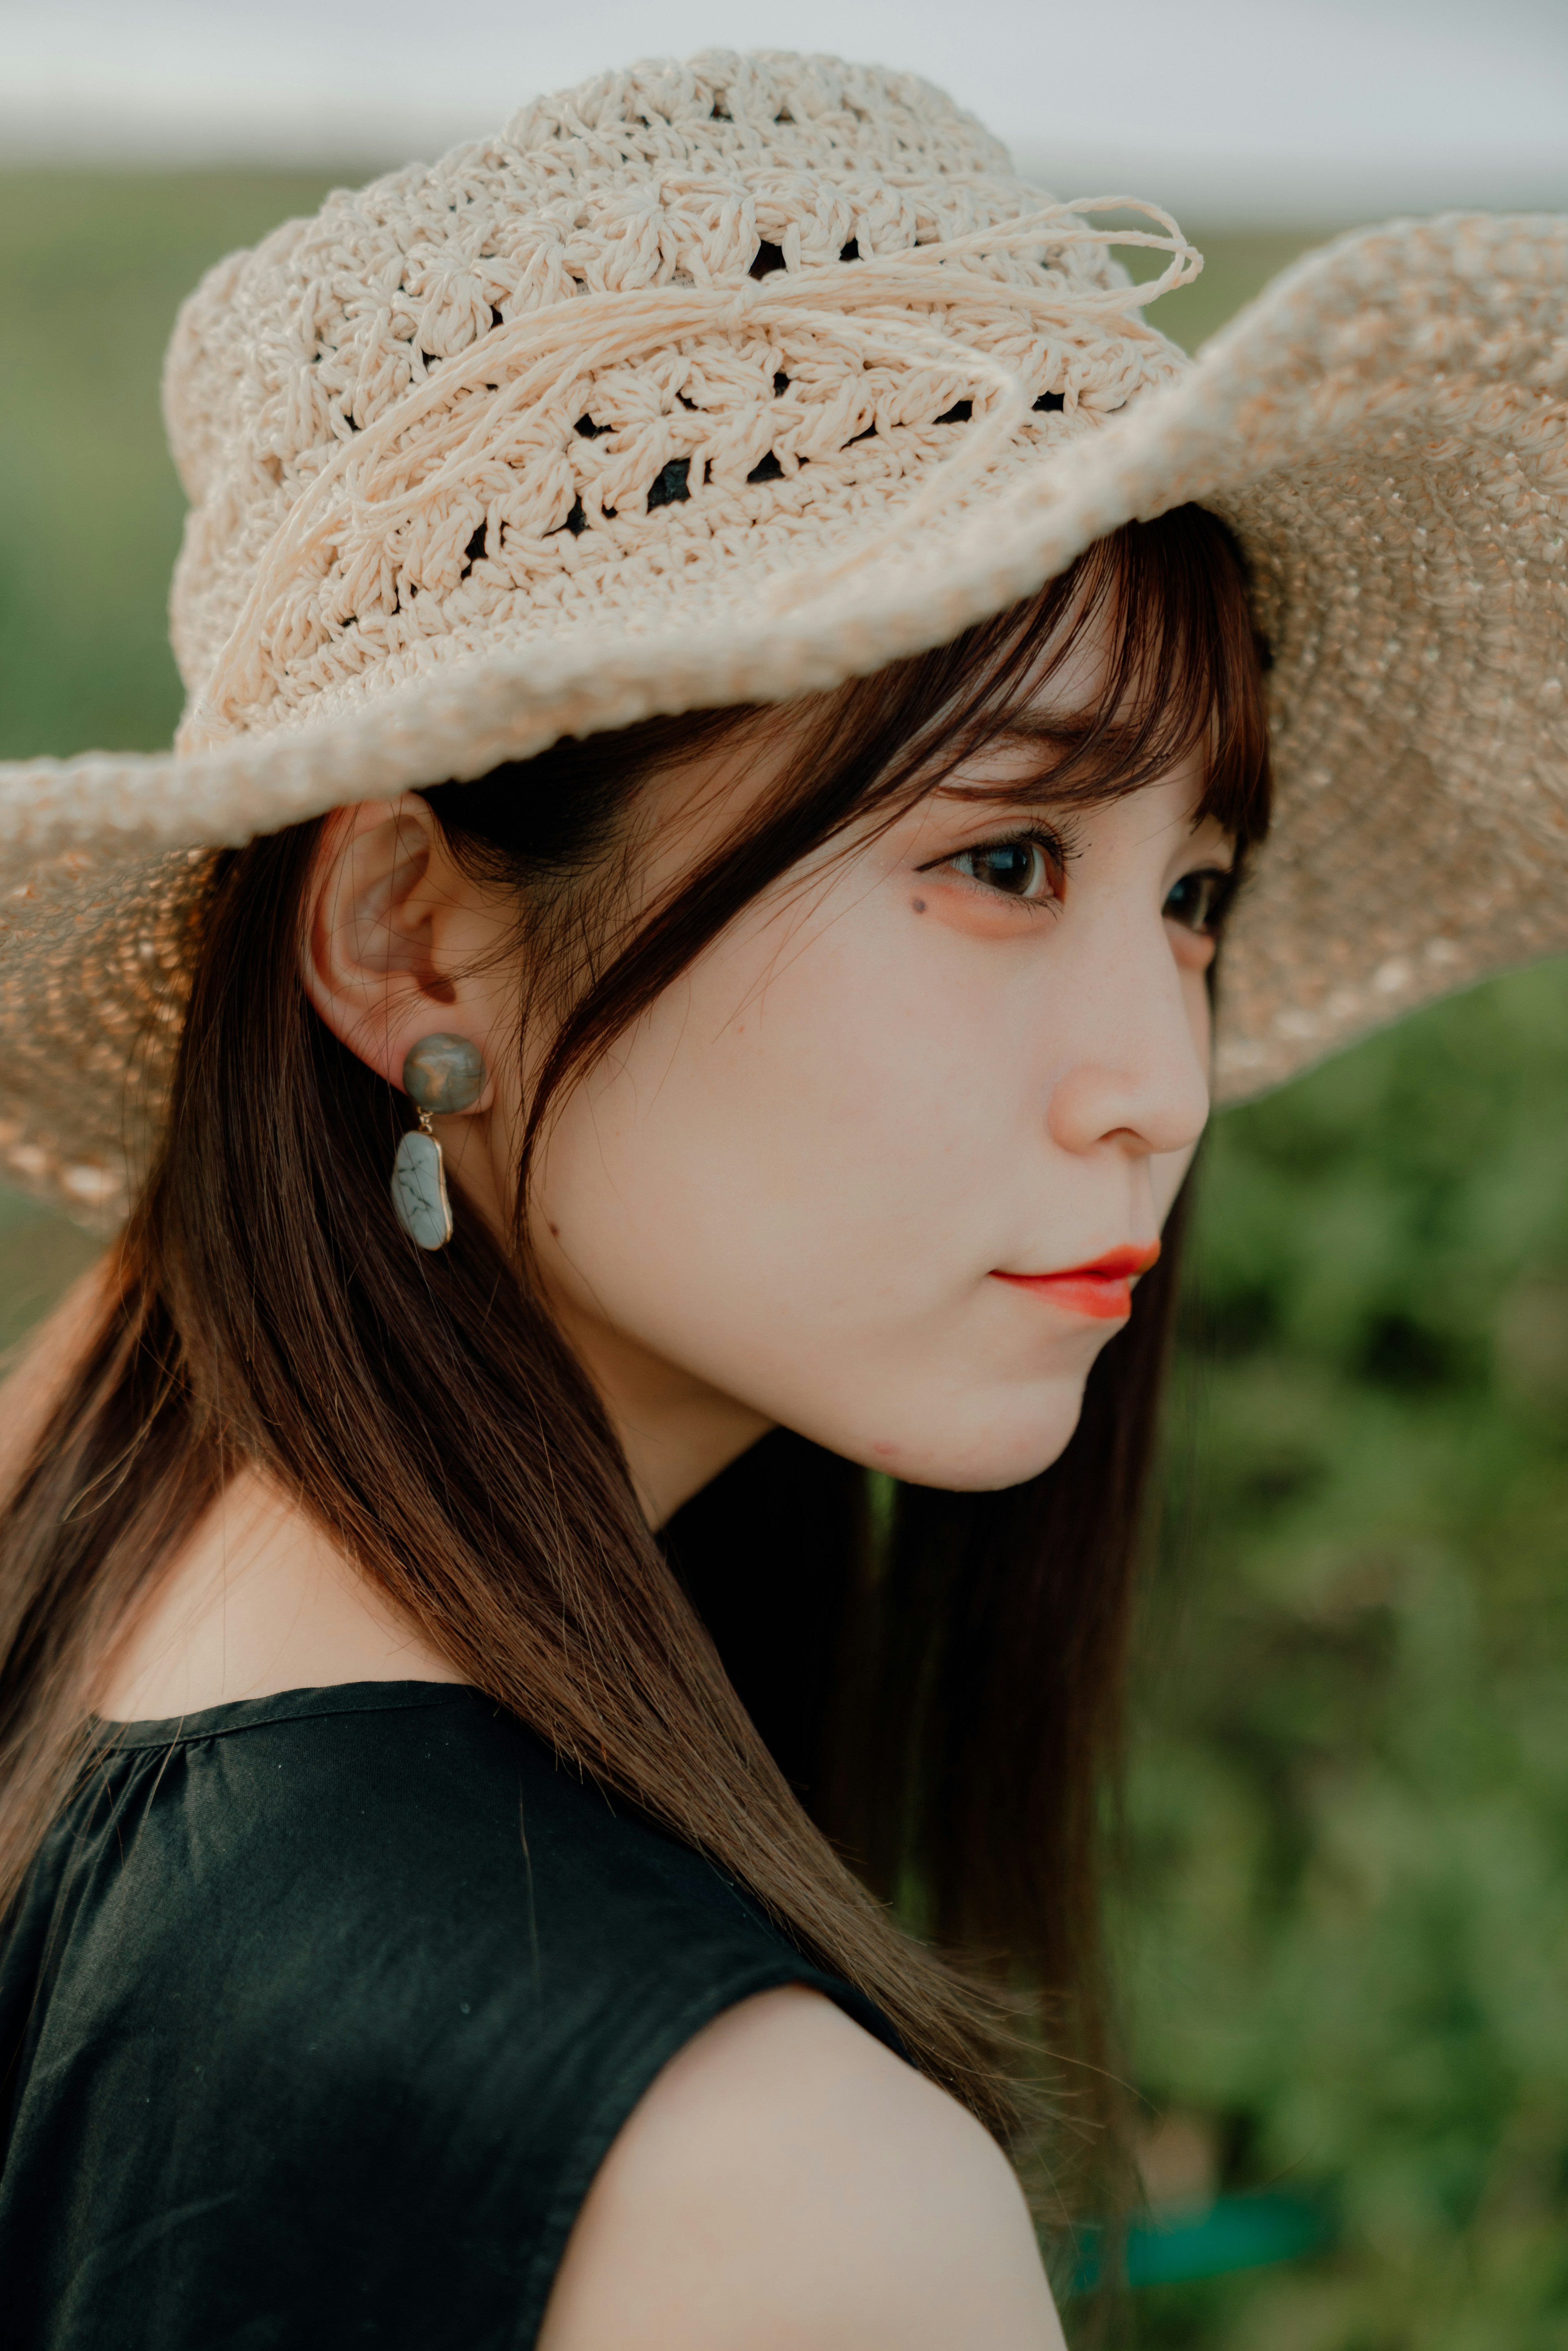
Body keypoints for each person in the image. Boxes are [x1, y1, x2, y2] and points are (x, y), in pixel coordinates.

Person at [0, 48, 1561, 2351]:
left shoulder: (80, 1556)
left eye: (1194, 892)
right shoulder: (768, 2193)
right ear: (419, 943)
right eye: (1005, 862)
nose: (1161, 1085)